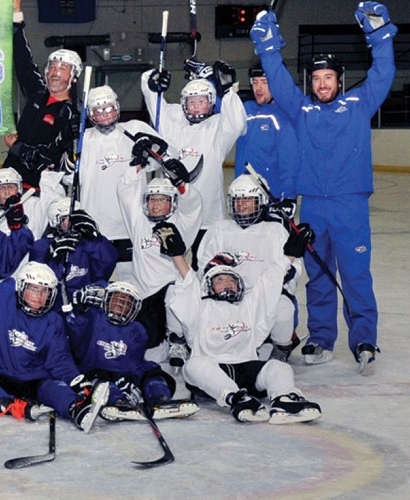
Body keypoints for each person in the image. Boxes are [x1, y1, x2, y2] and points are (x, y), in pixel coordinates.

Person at [251, 2, 395, 373]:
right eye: (316, 79)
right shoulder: (302, 111)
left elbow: (383, 72)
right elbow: (279, 81)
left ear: (339, 80)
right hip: (313, 204)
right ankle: (320, 337)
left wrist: (379, 35)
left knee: (356, 273)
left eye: (328, 77)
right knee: (318, 275)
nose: (322, 84)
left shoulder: (359, 104)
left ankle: (364, 338)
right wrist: (268, 46)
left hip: (350, 205)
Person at [162, 222, 322, 424]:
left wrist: (290, 253)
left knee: (278, 367)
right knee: (194, 365)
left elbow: (270, 279)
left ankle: (284, 399)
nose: (227, 283)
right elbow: (188, 281)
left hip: (247, 369)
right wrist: (177, 255)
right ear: (209, 287)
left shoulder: (249, 306)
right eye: (220, 280)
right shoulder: (198, 308)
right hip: (212, 370)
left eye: (231, 280)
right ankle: (236, 398)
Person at [0, 223, 102, 430]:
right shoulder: (1, 298)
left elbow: (58, 360)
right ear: (21, 287)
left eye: (45, 292)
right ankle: (12, 405)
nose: (39, 297)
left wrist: (76, 380)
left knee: (53, 388)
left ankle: (76, 409)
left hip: (33, 379)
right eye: (33, 290)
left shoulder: (53, 320)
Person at [142, 69, 247, 267]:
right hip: (174, 213)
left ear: (211, 103)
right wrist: (153, 83)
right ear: (184, 103)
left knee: (204, 265)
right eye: (192, 102)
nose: (196, 107)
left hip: (208, 214)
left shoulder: (218, 128)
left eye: (202, 102)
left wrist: (228, 92)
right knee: (169, 265)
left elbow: (238, 122)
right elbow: (154, 102)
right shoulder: (172, 121)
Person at [195, 175, 306, 362]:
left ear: (261, 202)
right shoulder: (219, 228)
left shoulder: (276, 231)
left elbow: (293, 266)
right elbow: (203, 267)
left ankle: (282, 345)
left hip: (261, 297)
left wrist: (284, 276)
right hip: (225, 295)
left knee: (283, 306)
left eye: (247, 199)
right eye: (237, 200)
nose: (241, 205)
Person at [64, 281, 198, 422]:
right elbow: (76, 327)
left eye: (126, 303)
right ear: (106, 301)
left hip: (124, 370)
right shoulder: (93, 318)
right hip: (96, 369)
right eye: (117, 300)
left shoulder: (138, 330)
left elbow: (133, 361)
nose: (120, 306)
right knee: (101, 381)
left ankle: (160, 400)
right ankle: (117, 402)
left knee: (153, 373)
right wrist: (79, 308)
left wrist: (130, 381)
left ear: (134, 309)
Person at [72, 85, 166, 276]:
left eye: (108, 108)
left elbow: (159, 159)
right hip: (95, 228)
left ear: (117, 107)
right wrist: (70, 144)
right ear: (90, 114)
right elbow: (69, 176)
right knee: (96, 285)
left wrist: (148, 151)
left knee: (131, 288)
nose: (104, 114)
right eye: (98, 110)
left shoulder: (134, 129)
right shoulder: (84, 139)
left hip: (130, 226)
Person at [118, 169, 201, 362]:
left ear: (172, 202)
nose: (155, 205)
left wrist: (181, 184)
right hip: (146, 293)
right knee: (151, 355)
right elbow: (125, 191)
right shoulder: (138, 222)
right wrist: (135, 166)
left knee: (175, 295)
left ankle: (178, 340)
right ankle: (162, 343)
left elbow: (194, 204)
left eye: (161, 200)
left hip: (174, 290)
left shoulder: (182, 224)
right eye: (152, 200)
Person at [5, 0, 81, 188]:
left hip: (43, 190)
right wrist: (16, 18)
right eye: (52, 67)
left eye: (62, 68)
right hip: (11, 182)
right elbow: (23, 61)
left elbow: (54, 159)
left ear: (74, 76)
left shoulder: (72, 115)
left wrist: (18, 148)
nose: (55, 72)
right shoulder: (37, 93)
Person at [28, 198, 119, 299]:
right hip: (54, 304)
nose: (70, 223)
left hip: (85, 304)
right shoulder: (42, 246)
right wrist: (53, 259)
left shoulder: (88, 244)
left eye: (74, 219)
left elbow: (108, 263)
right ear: (55, 222)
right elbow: (39, 282)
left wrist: (95, 239)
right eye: (64, 219)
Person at [234, 64, 298, 204]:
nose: (258, 88)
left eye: (264, 82)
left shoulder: (283, 117)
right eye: (255, 82)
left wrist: (288, 197)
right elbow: (218, 110)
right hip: (243, 195)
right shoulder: (246, 109)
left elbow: (290, 162)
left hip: (271, 198)